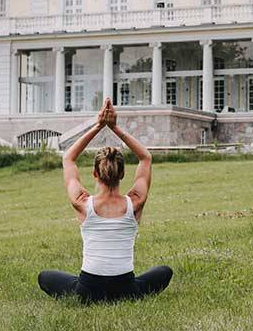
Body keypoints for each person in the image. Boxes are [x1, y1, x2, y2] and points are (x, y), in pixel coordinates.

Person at [38, 98, 173, 303]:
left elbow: (68, 158)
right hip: (126, 290)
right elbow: (146, 157)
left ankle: (90, 294)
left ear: (94, 173)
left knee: (44, 277)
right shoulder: (135, 202)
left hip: (88, 291)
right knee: (164, 271)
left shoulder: (82, 203)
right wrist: (115, 127)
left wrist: (98, 126)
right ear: (122, 174)